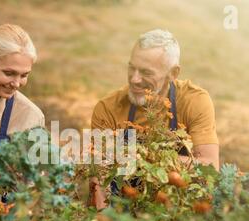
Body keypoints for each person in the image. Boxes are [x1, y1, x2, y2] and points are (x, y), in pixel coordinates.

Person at [89, 29, 219, 210]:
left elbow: (209, 166)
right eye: (131, 68)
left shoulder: (194, 101)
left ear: (173, 73)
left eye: (146, 72)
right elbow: (99, 179)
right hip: (122, 211)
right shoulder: (108, 108)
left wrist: (144, 160)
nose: (134, 79)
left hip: (175, 210)